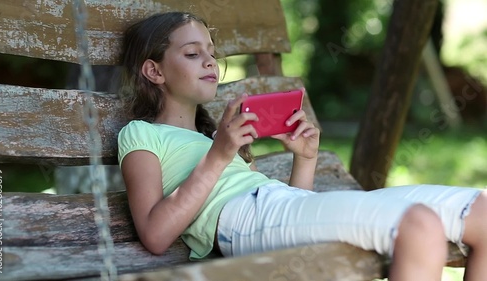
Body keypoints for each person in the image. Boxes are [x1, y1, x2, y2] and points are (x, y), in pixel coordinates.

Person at [117, 11, 487, 281]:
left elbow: (291, 221)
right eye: (193, 53)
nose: (210, 61)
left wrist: (304, 159)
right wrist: (219, 155)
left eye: (212, 52)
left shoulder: (213, 137)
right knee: (418, 226)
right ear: (155, 71)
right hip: (242, 222)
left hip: (279, 209)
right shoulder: (142, 135)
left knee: (483, 213)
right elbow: (155, 234)